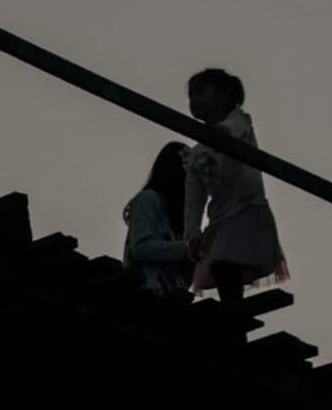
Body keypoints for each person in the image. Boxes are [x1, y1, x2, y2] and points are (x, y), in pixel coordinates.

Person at [183, 68, 288, 311]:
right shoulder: (196, 153)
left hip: (246, 210)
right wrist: (192, 233)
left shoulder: (240, 121)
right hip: (221, 219)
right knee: (222, 271)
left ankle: (234, 315)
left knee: (225, 266)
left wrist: (222, 133)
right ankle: (233, 316)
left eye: (200, 92)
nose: (193, 100)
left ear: (223, 95)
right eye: (191, 95)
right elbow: (194, 198)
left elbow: (234, 129)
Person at [122, 142, 193, 296]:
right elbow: (140, 248)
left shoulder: (181, 218)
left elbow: (184, 279)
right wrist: (186, 249)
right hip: (144, 294)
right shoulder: (149, 199)